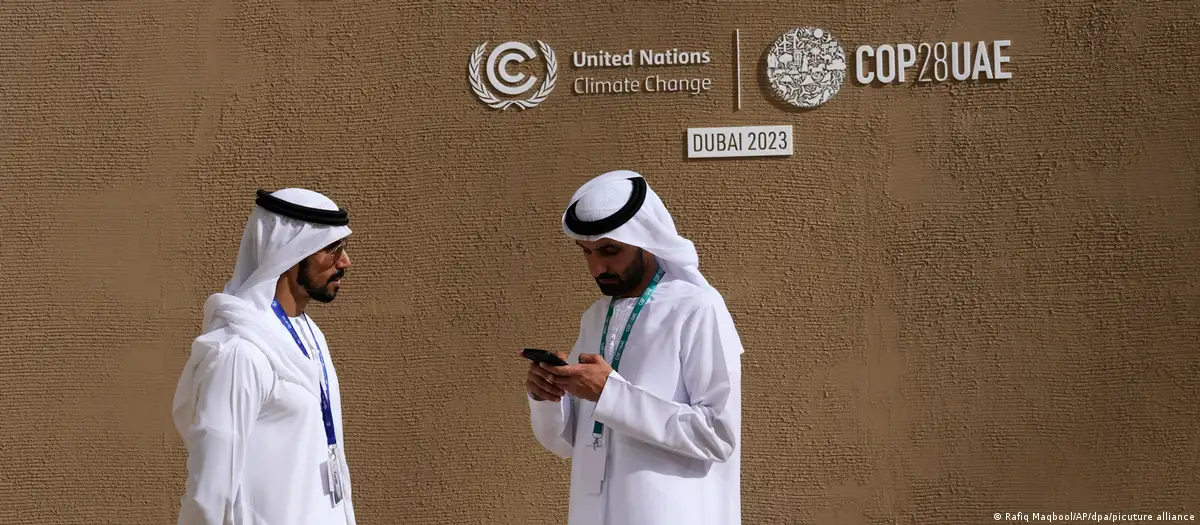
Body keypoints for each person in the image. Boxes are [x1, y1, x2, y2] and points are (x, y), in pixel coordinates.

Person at [524, 169, 744, 525]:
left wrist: (610, 393)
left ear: (646, 240)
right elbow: (565, 443)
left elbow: (717, 435)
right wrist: (549, 398)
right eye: (587, 253)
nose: (597, 267)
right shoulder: (596, 317)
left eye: (610, 251)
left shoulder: (697, 308)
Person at [171, 188, 358, 525]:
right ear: (290, 252)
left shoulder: (310, 336)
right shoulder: (239, 353)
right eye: (331, 249)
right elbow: (210, 493)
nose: (344, 262)